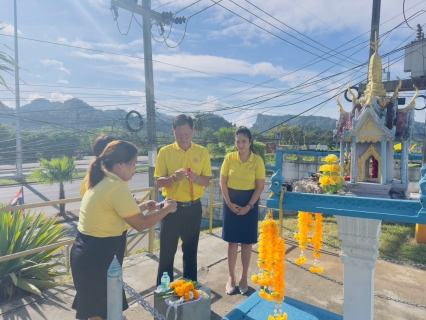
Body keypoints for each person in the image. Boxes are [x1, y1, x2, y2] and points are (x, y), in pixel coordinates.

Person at [70, 140, 177, 320]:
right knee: (99, 311)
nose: (135, 168)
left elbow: (114, 213)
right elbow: (141, 224)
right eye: (134, 163)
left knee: (99, 309)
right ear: (120, 165)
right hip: (97, 256)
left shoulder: (102, 179)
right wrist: (166, 209)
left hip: (90, 252)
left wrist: (142, 206)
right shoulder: (116, 186)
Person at [154, 114, 212, 286]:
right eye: (179, 134)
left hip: (193, 208)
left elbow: (207, 181)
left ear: (193, 131)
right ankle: (164, 292)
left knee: (190, 251)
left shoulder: (202, 152)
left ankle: (190, 289)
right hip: (170, 208)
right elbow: (158, 182)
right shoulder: (165, 152)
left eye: (186, 134)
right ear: (173, 132)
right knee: (166, 253)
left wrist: (196, 179)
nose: (183, 138)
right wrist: (172, 178)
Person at [220, 126, 265, 295]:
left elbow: (260, 187)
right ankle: (231, 277)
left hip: (250, 204)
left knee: (247, 242)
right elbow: (222, 182)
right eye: (238, 141)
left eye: (244, 141)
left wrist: (249, 206)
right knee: (232, 242)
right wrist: (229, 203)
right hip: (230, 202)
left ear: (250, 142)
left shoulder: (257, 160)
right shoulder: (229, 158)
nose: (241, 145)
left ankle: (244, 276)